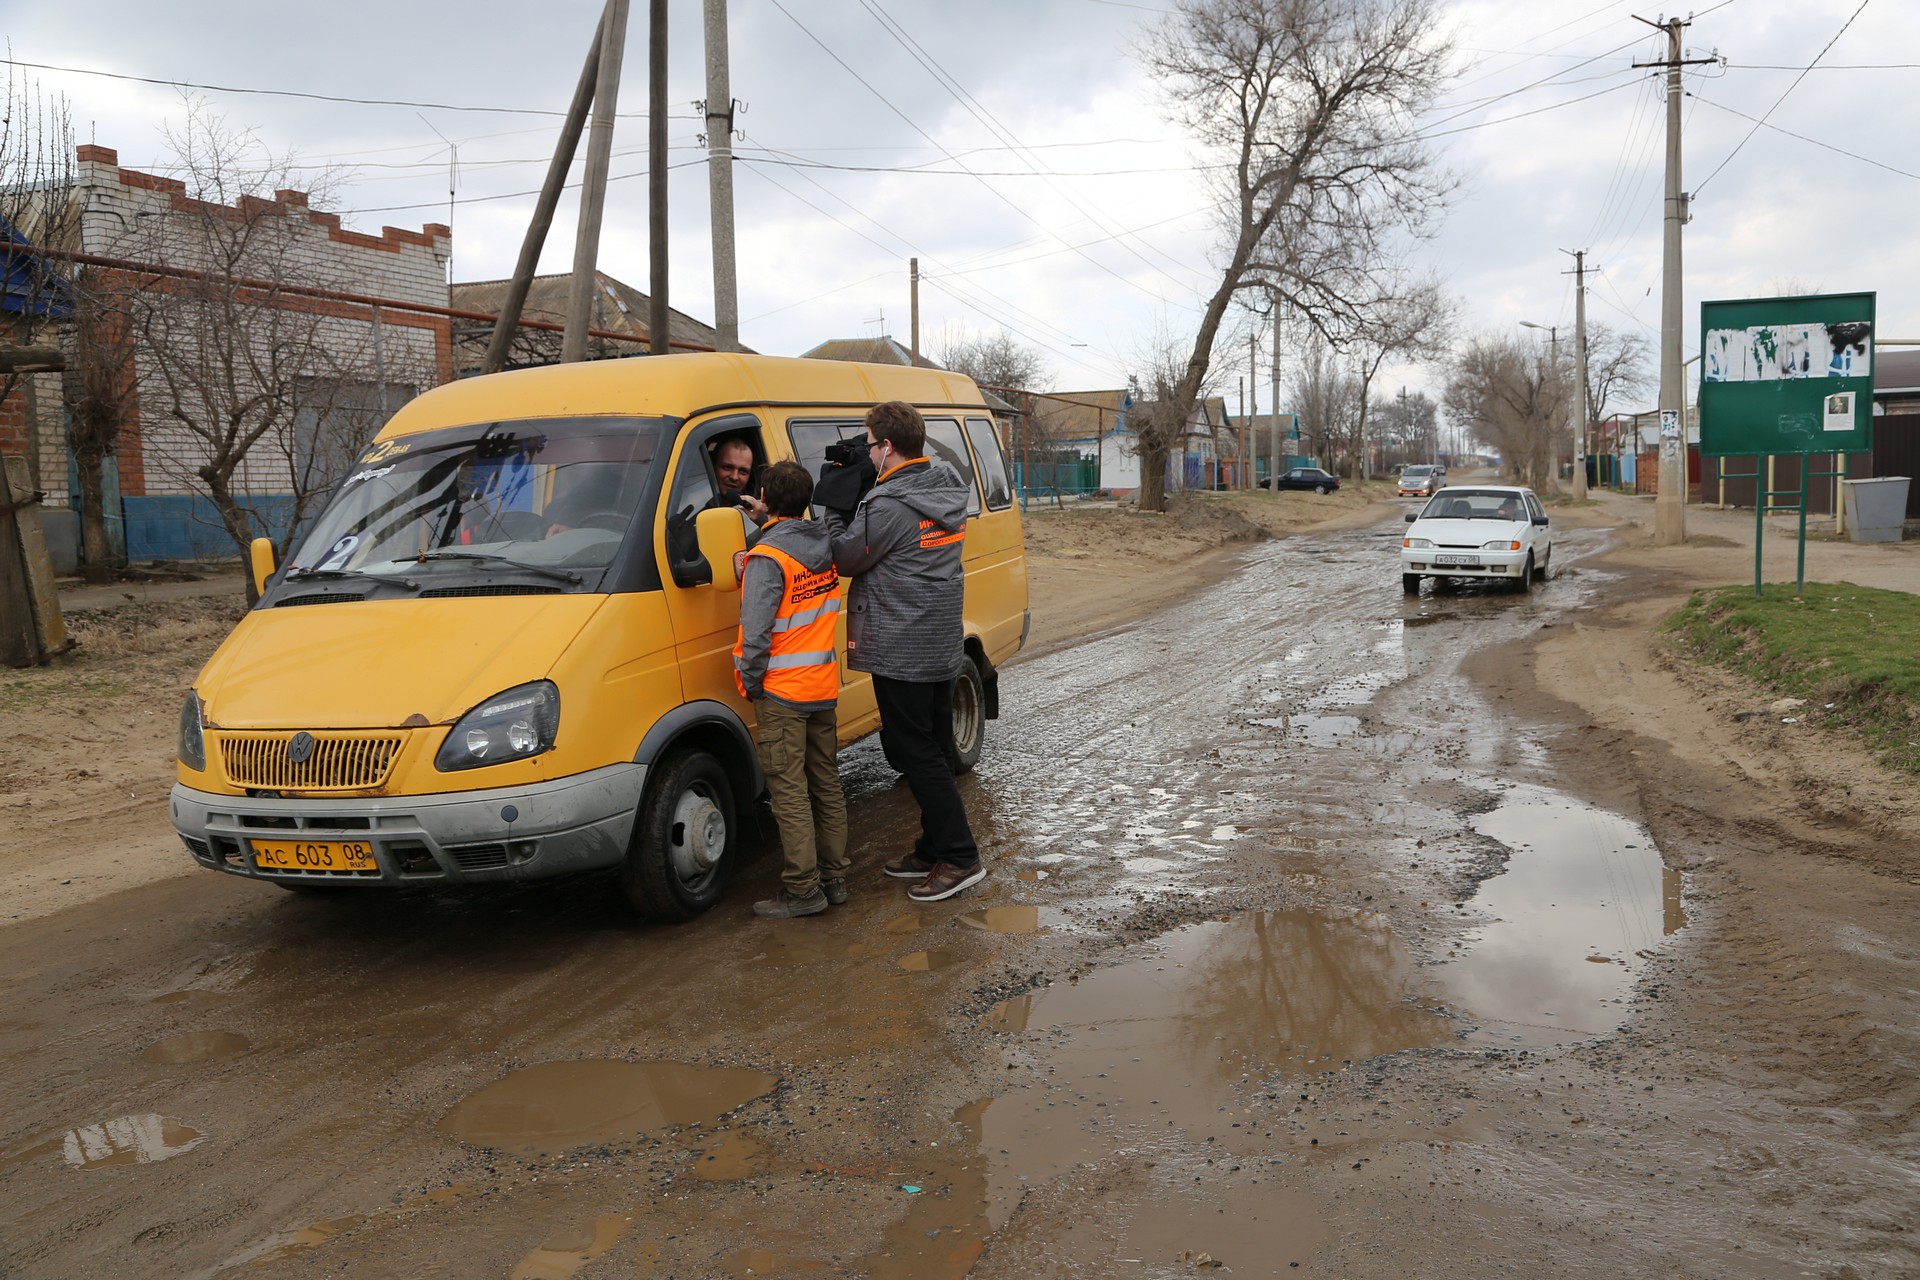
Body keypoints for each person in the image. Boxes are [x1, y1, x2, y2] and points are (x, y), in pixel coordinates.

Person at [822, 401, 983, 903]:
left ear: (887, 447)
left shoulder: (889, 505)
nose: (866, 453)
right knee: (932, 745)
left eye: (869, 444)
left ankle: (959, 857)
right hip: (936, 639)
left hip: (900, 644)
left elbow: (845, 558)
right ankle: (933, 846)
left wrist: (832, 508)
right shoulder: (945, 488)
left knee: (916, 753)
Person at [733, 461, 850, 918]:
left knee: (789, 790)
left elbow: (757, 632)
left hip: (782, 690)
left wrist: (750, 680)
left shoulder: (767, 558)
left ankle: (803, 890)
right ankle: (834, 878)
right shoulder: (823, 543)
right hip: (822, 685)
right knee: (825, 782)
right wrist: (770, 518)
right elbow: (793, 537)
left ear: (764, 493)